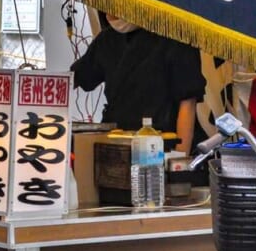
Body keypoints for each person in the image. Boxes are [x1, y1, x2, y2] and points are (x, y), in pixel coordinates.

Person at [71, 12, 207, 153]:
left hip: (161, 146)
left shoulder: (174, 36)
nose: (110, 14)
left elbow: (187, 102)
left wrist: (180, 157)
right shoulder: (107, 39)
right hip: (117, 144)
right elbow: (76, 78)